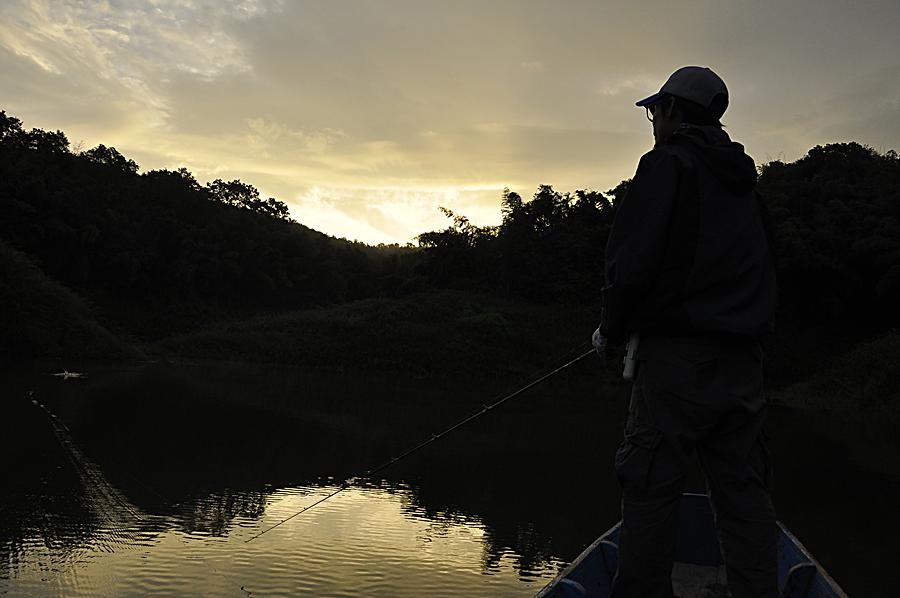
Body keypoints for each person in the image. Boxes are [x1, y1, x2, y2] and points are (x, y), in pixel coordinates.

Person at [592, 66, 779, 598]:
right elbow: (768, 269)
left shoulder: (666, 164)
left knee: (649, 486)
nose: (652, 121)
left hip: (676, 362)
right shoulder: (747, 185)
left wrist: (610, 328)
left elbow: (630, 262)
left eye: (655, 111)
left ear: (673, 111)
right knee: (744, 493)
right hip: (744, 363)